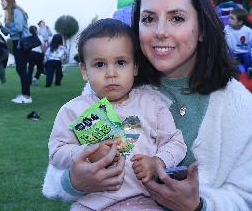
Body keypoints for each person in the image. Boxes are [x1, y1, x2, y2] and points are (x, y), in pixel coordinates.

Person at [42, 0, 252, 211]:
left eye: (176, 18)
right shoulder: (109, 87)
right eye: (148, 19)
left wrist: (199, 206)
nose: (160, 32)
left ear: (201, 28)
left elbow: (245, 195)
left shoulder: (237, 103)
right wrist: (74, 181)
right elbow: (57, 172)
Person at [47, 18, 187, 210]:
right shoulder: (73, 110)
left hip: (144, 202)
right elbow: (56, 152)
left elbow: (176, 142)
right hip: (91, 204)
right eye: (99, 65)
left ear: (135, 66)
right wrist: (88, 152)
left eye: (121, 62)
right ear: (84, 70)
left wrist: (159, 161)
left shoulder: (152, 105)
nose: (111, 73)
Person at [0, 0, 32, 104]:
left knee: (21, 69)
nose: (1, 3)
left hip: (22, 43)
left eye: (2, 1)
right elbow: (7, 32)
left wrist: (8, 29)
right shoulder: (10, 14)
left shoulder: (16, 11)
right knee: (20, 69)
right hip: (17, 42)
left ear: (8, 1)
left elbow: (18, 28)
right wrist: (1, 26)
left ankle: (27, 96)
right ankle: (24, 94)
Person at [224, 8, 252, 78]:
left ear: (240, 22)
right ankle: (235, 71)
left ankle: (250, 69)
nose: (229, 20)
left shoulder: (247, 31)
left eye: (232, 18)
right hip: (232, 53)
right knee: (229, 58)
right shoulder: (227, 29)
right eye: (229, 17)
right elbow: (223, 41)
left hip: (244, 53)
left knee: (247, 56)